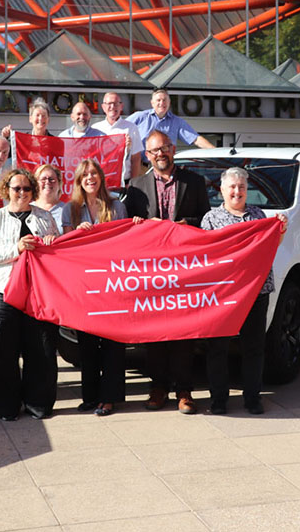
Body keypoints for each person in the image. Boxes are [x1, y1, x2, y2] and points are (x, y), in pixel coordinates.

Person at [123, 131, 210, 414]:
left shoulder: (194, 182)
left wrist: (186, 223)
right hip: (151, 273)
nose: (160, 154)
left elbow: (206, 220)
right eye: (154, 150)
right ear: (147, 155)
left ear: (173, 149)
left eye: (164, 148)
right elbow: (127, 230)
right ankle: (158, 387)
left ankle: (184, 390)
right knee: (155, 331)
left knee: (184, 332)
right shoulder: (135, 187)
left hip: (185, 270)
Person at [201, 167, 287, 415]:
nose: (237, 192)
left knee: (254, 347)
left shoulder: (259, 215)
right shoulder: (210, 219)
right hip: (223, 295)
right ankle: (219, 400)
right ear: (222, 190)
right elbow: (205, 256)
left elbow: (271, 247)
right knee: (218, 348)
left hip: (256, 291)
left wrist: (281, 231)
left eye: (242, 187)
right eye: (232, 187)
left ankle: (253, 398)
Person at [0, 168, 60, 421]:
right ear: (7, 190)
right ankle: (4, 406)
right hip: (2, 291)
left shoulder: (45, 217)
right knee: (3, 350)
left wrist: (52, 242)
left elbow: (59, 251)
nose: (22, 193)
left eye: (27, 188)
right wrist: (17, 247)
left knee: (41, 348)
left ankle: (39, 403)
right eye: (17, 188)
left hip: (39, 292)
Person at [61, 158, 129, 417]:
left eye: (94, 173)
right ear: (79, 180)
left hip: (113, 283)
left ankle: (109, 398)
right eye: (85, 174)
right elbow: (65, 248)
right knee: (87, 344)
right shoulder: (71, 209)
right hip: (85, 284)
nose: (90, 178)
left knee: (112, 343)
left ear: (101, 177)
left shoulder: (116, 206)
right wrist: (76, 232)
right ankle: (90, 396)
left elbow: (125, 241)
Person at [126, 88, 215, 154]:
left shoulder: (176, 122)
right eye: (158, 100)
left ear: (169, 102)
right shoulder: (140, 117)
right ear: (152, 103)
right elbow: (120, 129)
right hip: (142, 168)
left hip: (165, 169)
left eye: (165, 100)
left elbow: (196, 139)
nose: (162, 103)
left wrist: (216, 152)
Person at [92, 91, 144, 183]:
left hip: (124, 182)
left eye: (116, 104)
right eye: (109, 104)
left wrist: (133, 183)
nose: (112, 107)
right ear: (103, 107)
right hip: (100, 183)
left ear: (121, 106)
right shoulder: (95, 129)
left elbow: (136, 159)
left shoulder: (131, 128)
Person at [32, 163, 65, 228]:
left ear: (59, 184)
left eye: (51, 179)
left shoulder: (68, 210)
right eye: (43, 179)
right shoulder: (28, 209)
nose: (47, 182)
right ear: (36, 184)